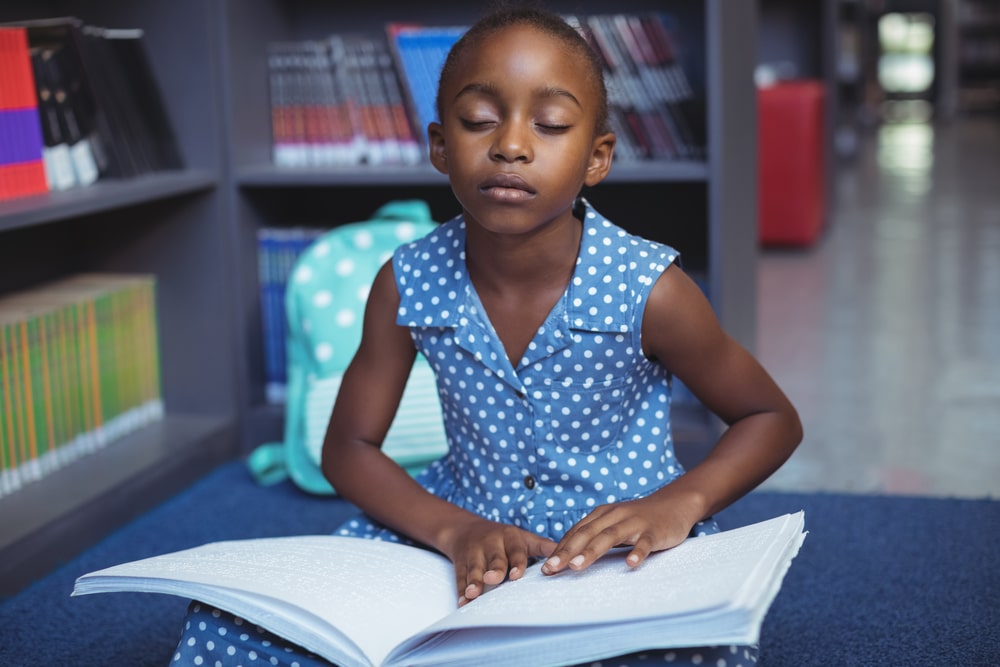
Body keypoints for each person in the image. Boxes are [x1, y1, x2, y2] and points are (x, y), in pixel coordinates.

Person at [170, 5, 802, 666]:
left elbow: (769, 416)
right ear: (440, 145)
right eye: (479, 120)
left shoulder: (652, 289)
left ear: (597, 156)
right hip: (456, 540)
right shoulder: (406, 281)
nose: (510, 145)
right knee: (230, 628)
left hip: (618, 552)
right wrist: (453, 528)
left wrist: (678, 504)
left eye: (552, 124)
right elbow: (349, 447)